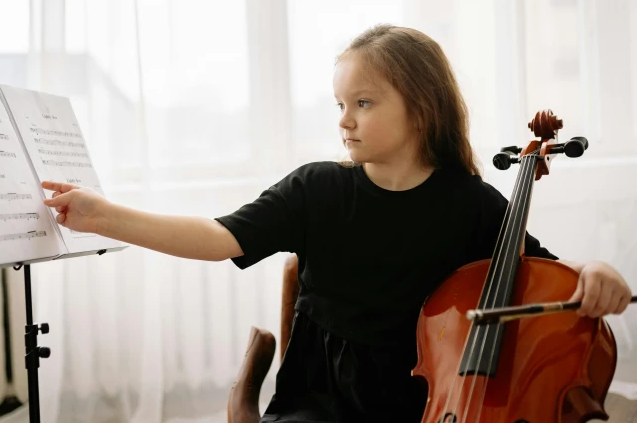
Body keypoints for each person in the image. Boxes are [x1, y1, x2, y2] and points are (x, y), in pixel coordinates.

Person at [41, 25, 632, 422]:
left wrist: (596, 269)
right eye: (340, 105)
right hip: (317, 404)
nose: (345, 121)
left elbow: (542, 272)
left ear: (422, 108)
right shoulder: (317, 188)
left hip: (418, 404)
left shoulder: (471, 202)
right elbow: (218, 237)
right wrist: (104, 215)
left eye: (364, 103)